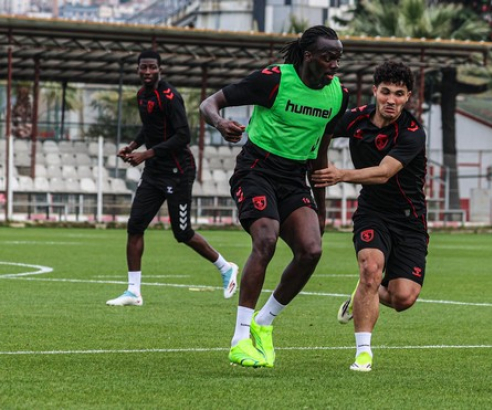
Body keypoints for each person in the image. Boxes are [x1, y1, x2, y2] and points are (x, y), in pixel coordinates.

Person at [199, 26, 349, 368]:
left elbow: (320, 153)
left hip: (295, 178)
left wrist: (321, 209)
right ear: (308, 56)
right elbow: (209, 104)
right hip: (257, 170)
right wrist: (220, 124)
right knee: (265, 239)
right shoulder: (274, 80)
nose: (335, 65)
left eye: (338, 58)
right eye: (328, 57)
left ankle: (263, 322)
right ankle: (239, 339)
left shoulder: (338, 96)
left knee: (311, 250)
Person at [311, 61, 428, 372]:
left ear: (408, 97)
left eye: (399, 94)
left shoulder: (413, 133)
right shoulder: (356, 118)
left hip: (409, 220)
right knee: (371, 270)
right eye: (386, 92)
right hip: (372, 212)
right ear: (375, 91)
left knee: (403, 299)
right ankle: (363, 354)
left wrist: (340, 174)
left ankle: (362, 292)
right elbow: (319, 128)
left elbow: (384, 173)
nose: (391, 100)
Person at [106, 50, 238, 306]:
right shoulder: (142, 95)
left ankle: (226, 267)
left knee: (182, 233)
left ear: (160, 69)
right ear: (137, 70)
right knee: (135, 226)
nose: (147, 71)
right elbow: (150, 128)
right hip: (154, 173)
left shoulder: (170, 96)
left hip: (179, 171)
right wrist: (132, 146)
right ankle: (133, 292)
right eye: (143, 67)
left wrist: (146, 154)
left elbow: (183, 136)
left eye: (151, 67)